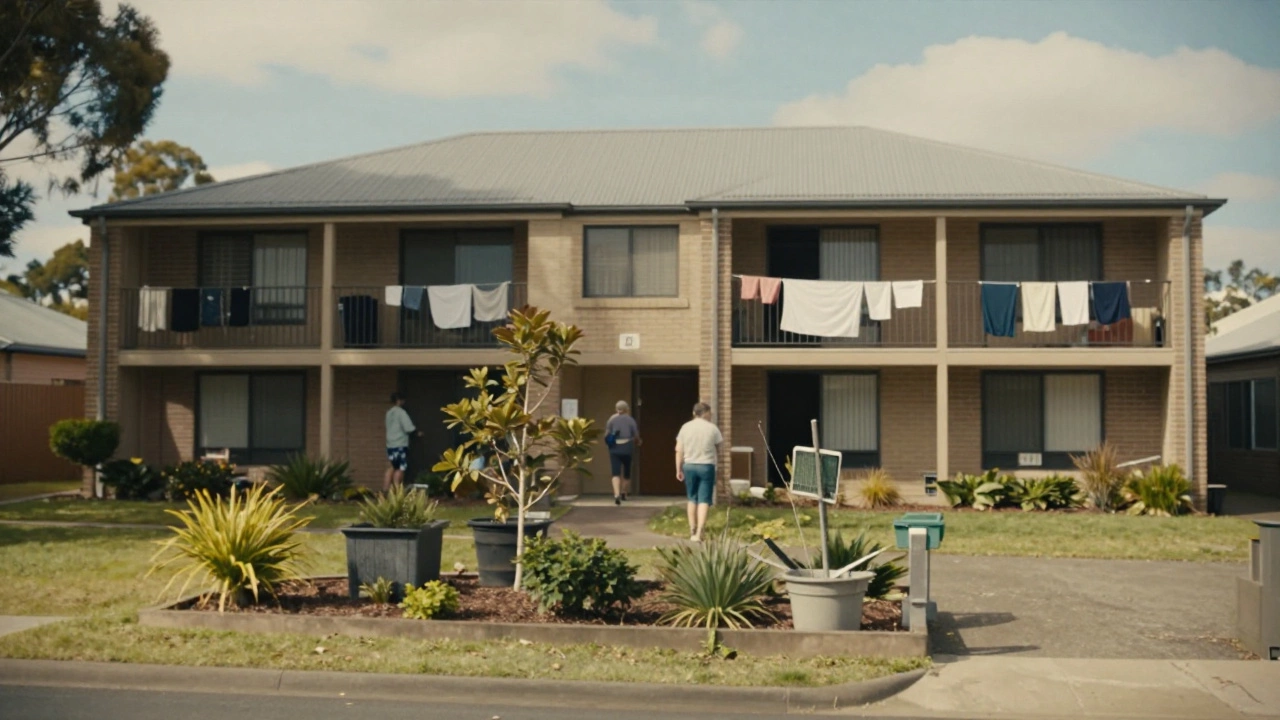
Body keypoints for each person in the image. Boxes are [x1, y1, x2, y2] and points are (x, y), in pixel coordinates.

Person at [675, 402, 723, 542]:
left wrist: (678, 469)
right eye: (710, 413)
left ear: (694, 413)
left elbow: (679, 450)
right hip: (706, 465)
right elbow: (719, 448)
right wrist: (718, 465)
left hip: (689, 465)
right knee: (704, 499)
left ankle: (692, 529)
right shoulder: (712, 428)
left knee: (692, 498)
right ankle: (700, 530)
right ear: (706, 413)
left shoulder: (685, 427)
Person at [605, 400, 641, 505]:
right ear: (626, 409)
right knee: (627, 471)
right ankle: (624, 492)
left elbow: (606, 435)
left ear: (616, 409)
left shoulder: (611, 419)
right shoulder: (630, 420)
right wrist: (638, 442)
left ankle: (616, 495)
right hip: (627, 448)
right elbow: (636, 435)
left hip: (614, 448)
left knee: (615, 472)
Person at [385, 391, 422, 489]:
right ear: (399, 400)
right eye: (402, 400)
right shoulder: (401, 412)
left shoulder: (389, 413)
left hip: (390, 445)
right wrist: (417, 433)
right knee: (400, 468)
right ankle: (398, 491)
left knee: (391, 467)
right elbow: (408, 428)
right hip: (400, 444)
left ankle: (385, 490)